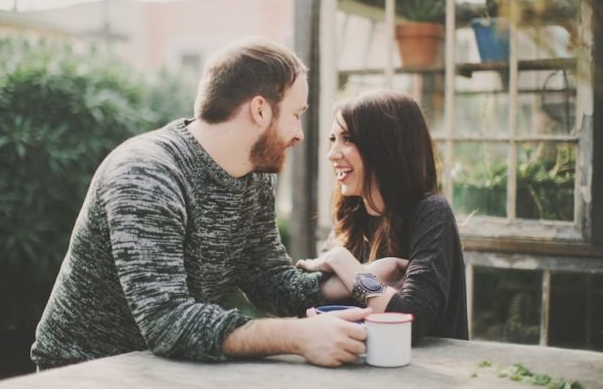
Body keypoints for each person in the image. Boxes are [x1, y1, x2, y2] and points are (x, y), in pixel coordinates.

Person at [31, 37, 372, 370]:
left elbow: (269, 280)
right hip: (85, 371)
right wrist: (297, 336)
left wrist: (354, 280)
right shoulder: (146, 174)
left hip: (169, 368)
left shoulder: (256, 175)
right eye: (296, 115)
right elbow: (168, 322)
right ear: (259, 110)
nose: (298, 133)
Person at [297, 89, 468, 341]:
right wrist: (369, 273)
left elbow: (409, 321)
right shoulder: (352, 216)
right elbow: (303, 301)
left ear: (385, 147)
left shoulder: (431, 213)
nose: (332, 153)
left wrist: (342, 261)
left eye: (348, 139)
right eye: (333, 139)